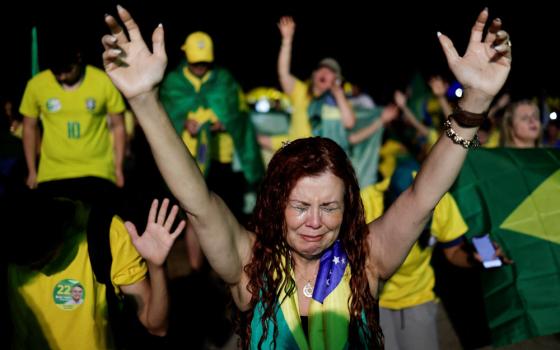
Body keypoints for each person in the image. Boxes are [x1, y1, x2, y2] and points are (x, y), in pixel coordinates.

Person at [102, 6, 511, 348]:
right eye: (300, 206)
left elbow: (424, 194)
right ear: (276, 203)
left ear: (348, 206)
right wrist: (143, 100)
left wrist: (474, 100)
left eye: (329, 206)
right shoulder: (250, 266)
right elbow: (199, 201)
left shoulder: (368, 259)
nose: (314, 223)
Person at [4, 193, 184, 349]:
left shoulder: (103, 233)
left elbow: (155, 325)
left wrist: (156, 267)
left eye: (40, 261)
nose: (35, 270)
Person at [19, 41, 126, 201]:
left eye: (67, 70)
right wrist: (32, 170)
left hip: (97, 172)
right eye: (56, 72)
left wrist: (118, 168)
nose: (62, 76)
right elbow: (29, 127)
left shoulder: (102, 81)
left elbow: (118, 126)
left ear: (78, 59)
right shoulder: (36, 85)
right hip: (53, 174)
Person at [258, 16, 356, 152]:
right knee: (256, 139)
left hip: (318, 154)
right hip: (292, 144)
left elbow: (350, 123)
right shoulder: (301, 90)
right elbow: (283, 73)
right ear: (314, 74)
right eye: (322, 68)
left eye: (330, 72)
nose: (324, 72)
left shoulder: (336, 102)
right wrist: (287, 40)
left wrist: (338, 95)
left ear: (335, 80)